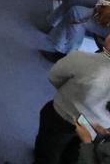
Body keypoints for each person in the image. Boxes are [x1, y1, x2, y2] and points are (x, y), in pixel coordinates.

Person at [34, 32, 110, 164]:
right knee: (74, 155)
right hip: (99, 129)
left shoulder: (82, 58)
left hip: (63, 116)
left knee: (47, 150)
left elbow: (54, 77)